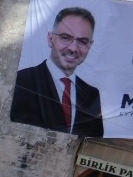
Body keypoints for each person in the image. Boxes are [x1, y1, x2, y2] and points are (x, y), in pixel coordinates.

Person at [9, 7, 103, 137]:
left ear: (90, 46)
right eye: (65, 38)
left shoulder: (92, 95)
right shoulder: (21, 81)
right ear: (50, 39)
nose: (73, 48)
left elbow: (93, 142)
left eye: (82, 41)